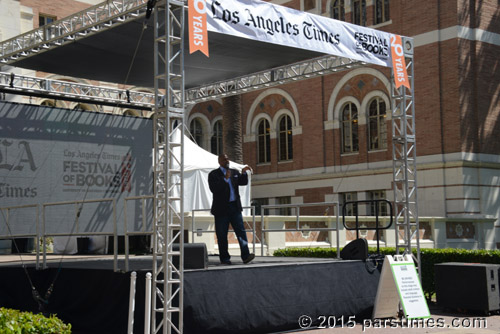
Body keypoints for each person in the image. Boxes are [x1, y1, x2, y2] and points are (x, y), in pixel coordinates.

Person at [208, 153, 255, 265]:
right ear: (219, 161)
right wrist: (225, 179)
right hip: (221, 210)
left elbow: (243, 182)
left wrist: (243, 173)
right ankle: (225, 259)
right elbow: (214, 189)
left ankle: (246, 256)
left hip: (234, 207)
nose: (227, 161)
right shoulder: (214, 174)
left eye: (227, 159)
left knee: (241, 232)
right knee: (222, 235)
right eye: (224, 159)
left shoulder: (234, 172)